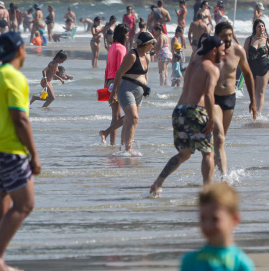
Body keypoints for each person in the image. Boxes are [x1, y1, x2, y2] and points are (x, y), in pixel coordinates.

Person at [0, 32, 39, 271]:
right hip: (10, 151)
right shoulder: (14, 78)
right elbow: (20, 119)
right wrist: (34, 155)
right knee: (25, 205)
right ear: (20, 50)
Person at [149, 36, 224, 197]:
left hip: (179, 111)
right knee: (208, 153)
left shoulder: (192, 64)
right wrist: (211, 119)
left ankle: (158, 183)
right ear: (214, 50)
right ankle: (207, 191)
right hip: (196, 112)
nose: (224, 55)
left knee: (184, 154)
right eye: (222, 51)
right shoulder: (212, 68)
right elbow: (209, 95)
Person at [212, 21, 256, 177]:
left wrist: (253, 101)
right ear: (216, 36)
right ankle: (224, 176)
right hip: (213, 99)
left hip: (230, 98)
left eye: (230, 35)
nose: (228, 39)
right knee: (219, 138)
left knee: (221, 139)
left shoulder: (238, 51)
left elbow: (248, 74)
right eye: (224, 36)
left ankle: (211, 170)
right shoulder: (209, 52)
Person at [104, 31, 155, 156]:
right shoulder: (132, 55)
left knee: (130, 120)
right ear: (146, 44)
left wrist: (145, 87)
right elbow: (119, 73)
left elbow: (144, 74)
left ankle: (123, 148)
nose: (153, 46)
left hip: (139, 92)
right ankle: (129, 148)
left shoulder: (147, 57)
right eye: (152, 43)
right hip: (126, 89)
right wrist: (114, 92)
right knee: (133, 117)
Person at [99, 24, 129, 146]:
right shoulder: (121, 48)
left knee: (115, 116)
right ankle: (105, 134)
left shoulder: (112, 47)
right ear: (123, 35)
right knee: (128, 115)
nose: (128, 37)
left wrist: (106, 84)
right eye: (127, 35)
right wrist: (117, 88)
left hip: (109, 81)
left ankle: (112, 144)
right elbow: (120, 69)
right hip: (117, 81)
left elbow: (107, 68)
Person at [244, 19, 269, 113]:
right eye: (259, 26)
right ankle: (253, 112)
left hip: (264, 67)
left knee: (260, 92)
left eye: (263, 26)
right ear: (255, 28)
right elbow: (244, 56)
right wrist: (244, 70)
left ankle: (258, 113)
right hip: (251, 67)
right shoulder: (249, 40)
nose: (261, 28)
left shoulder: (268, 40)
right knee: (253, 92)